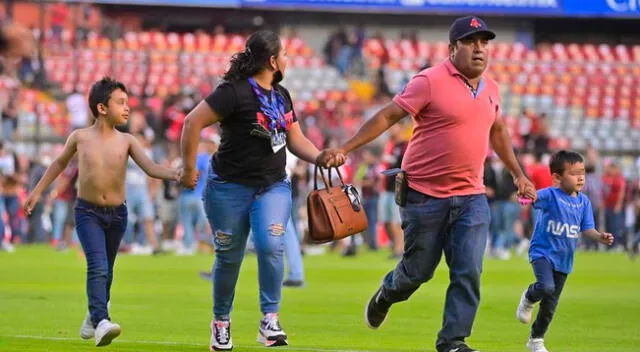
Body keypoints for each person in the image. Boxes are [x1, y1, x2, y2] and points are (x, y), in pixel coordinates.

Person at [318, 16, 536, 352]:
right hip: (423, 195)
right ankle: (387, 293)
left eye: (484, 42)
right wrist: (346, 149)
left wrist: (518, 174)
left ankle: (452, 341)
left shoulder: (492, 88)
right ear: (452, 48)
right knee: (417, 273)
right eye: (470, 41)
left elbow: (498, 131)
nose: (479, 48)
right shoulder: (429, 81)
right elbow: (389, 115)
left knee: (468, 271)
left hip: (471, 196)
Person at [179, 30, 336, 351]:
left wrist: (319, 156)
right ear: (273, 60)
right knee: (229, 256)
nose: (288, 61)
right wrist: (189, 168)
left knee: (270, 243)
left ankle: (270, 320)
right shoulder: (232, 93)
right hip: (228, 187)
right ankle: (221, 323)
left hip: (272, 185)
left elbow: (295, 139)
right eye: (286, 56)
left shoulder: (282, 95)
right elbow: (191, 123)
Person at [24, 77, 183, 347]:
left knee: (107, 270)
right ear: (101, 107)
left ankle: (92, 315)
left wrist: (178, 174)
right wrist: (37, 192)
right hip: (88, 213)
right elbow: (58, 164)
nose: (127, 108)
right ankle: (101, 320)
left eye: (127, 103)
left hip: (118, 215)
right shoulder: (80, 137)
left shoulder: (128, 141)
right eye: (120, 103)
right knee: (97, 266)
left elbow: (152, 168)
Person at [516, 150, 614, 352]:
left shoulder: (584, 202)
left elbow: (586, 229)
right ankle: (528, 296)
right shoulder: (550, 195)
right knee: (545, 287)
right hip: (542, 252)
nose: (580, 177)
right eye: (574, 173)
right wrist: (524, 196)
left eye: (583, 172)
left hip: (564, 259)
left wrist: (599, 236)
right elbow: (531, 199)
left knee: (550, 306)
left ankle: (536, 340)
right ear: (557, 178)